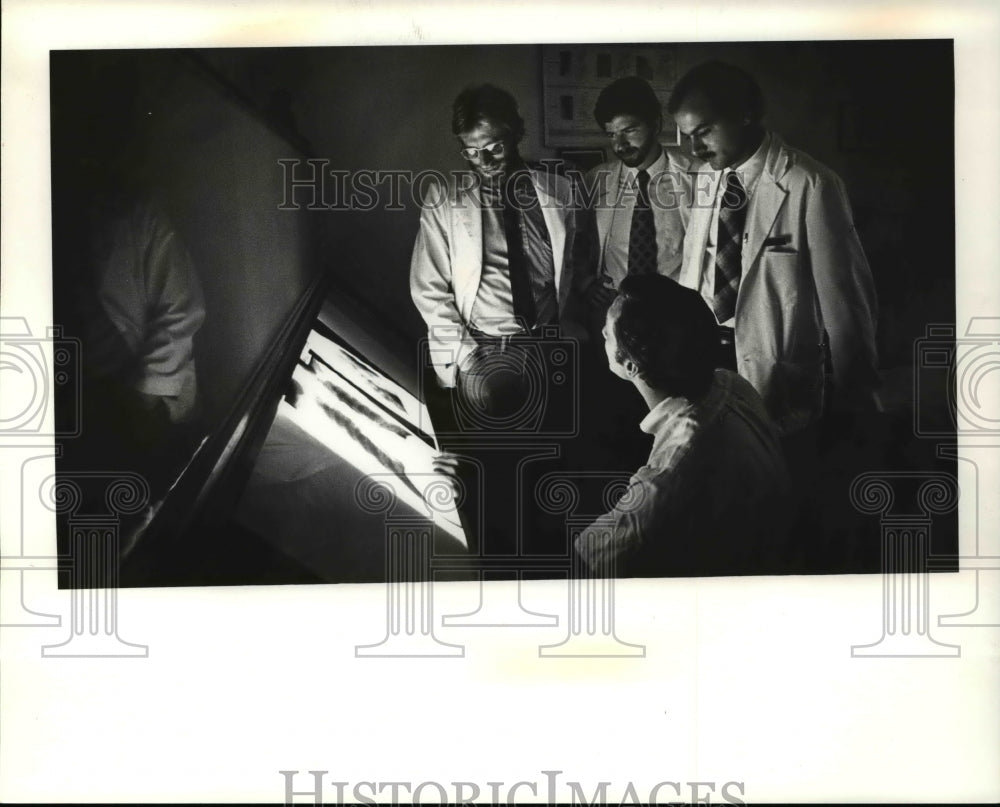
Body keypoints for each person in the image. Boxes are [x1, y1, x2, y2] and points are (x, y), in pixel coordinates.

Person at [667, 61, 879, 435]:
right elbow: (694, 266)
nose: (694, 148)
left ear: (745, 114)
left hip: (772, 361)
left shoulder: (809, 184)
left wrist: (856, 393)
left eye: (704, 132)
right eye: (686, 136)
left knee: (774, 467)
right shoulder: (704, 177)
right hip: (702, 352)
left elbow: (845, 302)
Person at [573, 275, 791, 578]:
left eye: (608, 332)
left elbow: (590, 558)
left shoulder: (663, 482)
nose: (601, 331)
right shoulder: (732, 384)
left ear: (632, 366)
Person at [410, 83, 582, 424]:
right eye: (471, 152)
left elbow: (572, 266)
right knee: (496, 453)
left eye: (493, 147)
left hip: (548, 343)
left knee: (554, 445)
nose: (484, 161)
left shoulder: (560, 191)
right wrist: (469, 356)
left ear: (516, 133)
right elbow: (427, 288)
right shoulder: (445, 199)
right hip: (482, 348)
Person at [575, 76, 701, 334]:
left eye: (629, 131)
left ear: (655, 124)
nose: (619, 145)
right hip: (614, 310)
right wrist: (586, 283)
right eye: (612, 134)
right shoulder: (596, 180)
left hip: (675, 312)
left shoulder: (697, 178)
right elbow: (574, 241)